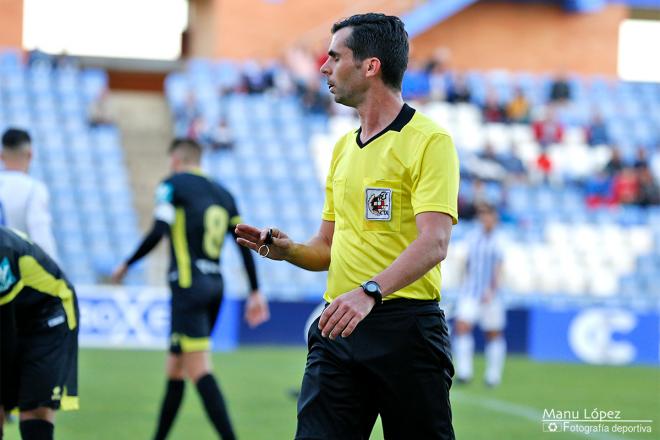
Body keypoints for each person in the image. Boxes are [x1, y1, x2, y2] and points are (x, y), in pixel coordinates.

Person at [235, 13, 458, 439]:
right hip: (340, 325)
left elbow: (435, 242)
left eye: (334, 57)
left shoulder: (430, 141)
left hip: (406, 329)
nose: (323, 67)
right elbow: (327, 247)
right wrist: (291, 251)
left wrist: (370, 292)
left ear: (370, 66)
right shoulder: (342, 149)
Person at [111, 138, 269, 440]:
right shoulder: (224, 193)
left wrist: (127, 263)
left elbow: (159, 230)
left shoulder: (173, 184)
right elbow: (245, 242)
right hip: (215, 286)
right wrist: (255, 290)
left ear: (175, 160)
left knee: (199, 370)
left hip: (187, 287)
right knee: (175, 367)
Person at [0, 226, 79, 440]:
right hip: (16, 315)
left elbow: (5, 334)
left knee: (34, 409)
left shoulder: (2, 252)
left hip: (49, 316)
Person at [453, 203, 506, 387]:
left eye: (488, 215)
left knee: (493, 333)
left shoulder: (500, 240)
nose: (485, 219)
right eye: (482, 215)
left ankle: (493, 375)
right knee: (462, 326)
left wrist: (492, 290)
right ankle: (464, 372)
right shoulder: (473, 237)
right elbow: (466, 263)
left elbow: (500, 268)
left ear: (495, 217)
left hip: (491, 295)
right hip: (471, 292)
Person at [0, 128, 58, 261]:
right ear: (30, 154)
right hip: (14, 274)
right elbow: (42, 242)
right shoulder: (33, 189)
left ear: (1, 156)